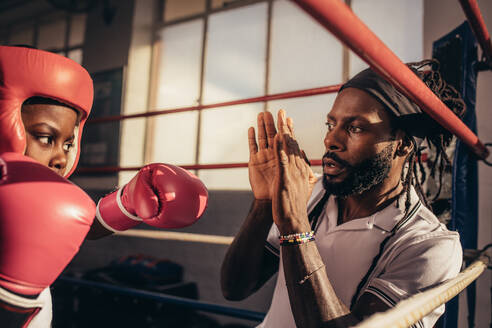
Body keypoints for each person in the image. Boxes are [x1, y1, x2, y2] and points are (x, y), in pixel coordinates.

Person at [221, 60, 464, 328]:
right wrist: (265, 203)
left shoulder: (428, 245)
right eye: (331, 125)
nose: (330, 140)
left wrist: (295, 224)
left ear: (403, 145)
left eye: (355, 128)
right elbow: (235, 289)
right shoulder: (313, 197)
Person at [0, 45, 208, 327]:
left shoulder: (43, 209)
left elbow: (74, 226)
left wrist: (128, 205)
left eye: (69, 143)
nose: (61, 157)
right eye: (46, 138)